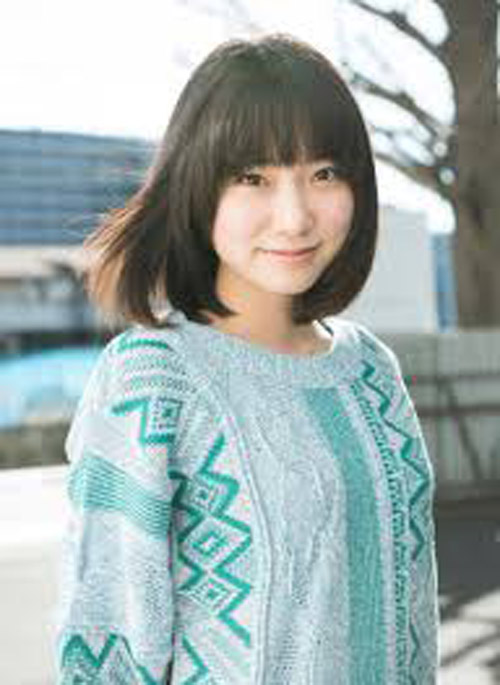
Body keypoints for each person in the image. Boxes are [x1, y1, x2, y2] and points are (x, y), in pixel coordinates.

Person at [53, 33, 440, 684]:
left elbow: (412, 618)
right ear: (197, 187)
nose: (294, 217)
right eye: (252, 178)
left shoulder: (370, 370)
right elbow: (105, 644)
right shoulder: (154, 379)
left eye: (324, 173)